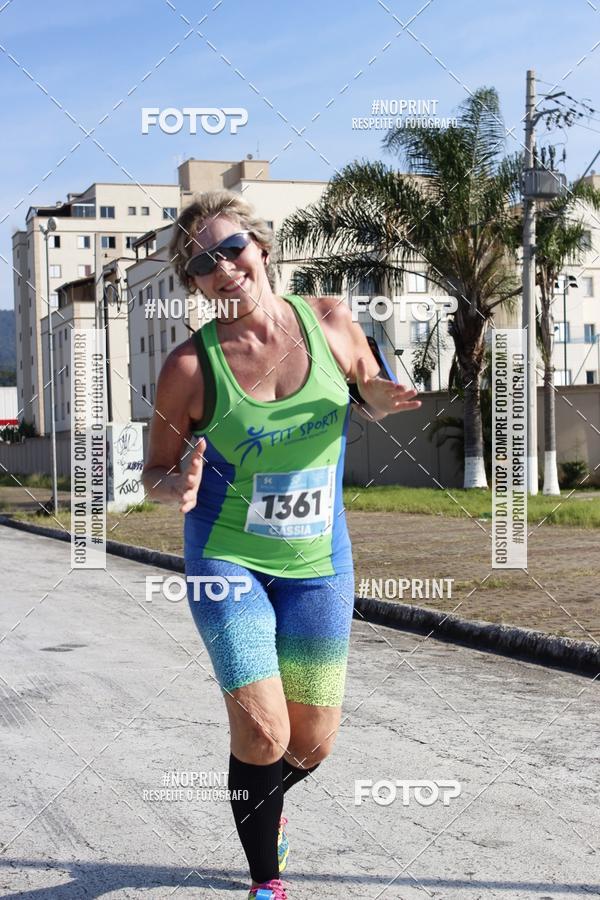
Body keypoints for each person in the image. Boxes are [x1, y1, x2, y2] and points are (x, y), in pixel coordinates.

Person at [142, 190, 421, 900]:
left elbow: (369, 387)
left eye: (231, 249)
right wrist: (174, 485)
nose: (223, 269)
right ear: (193, 284)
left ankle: (263, 798)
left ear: (260, 248)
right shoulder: (189, 367)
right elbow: (155, 471)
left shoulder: (329, 320)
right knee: (263, 733)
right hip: (227, 559)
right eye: (201, 264)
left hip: (320, 562)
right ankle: (266, 878)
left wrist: (375, 399)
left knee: (310, 742)